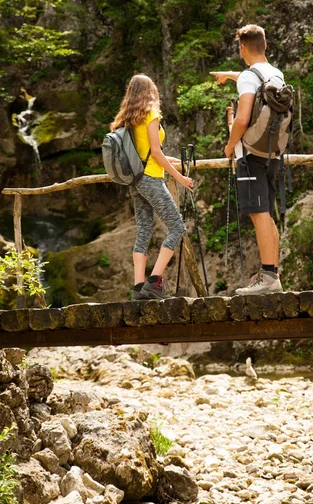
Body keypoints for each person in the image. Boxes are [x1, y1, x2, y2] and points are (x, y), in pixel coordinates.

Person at [210, 24, 284, 295]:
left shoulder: (247, 79)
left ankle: (267, 277)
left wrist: (230, 146)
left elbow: (242, 119)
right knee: (267, 214)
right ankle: (273, 274)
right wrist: (229, 75)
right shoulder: (276, 73)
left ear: (242, 48)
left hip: (250, 153)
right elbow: (250, 78)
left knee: (258, 213)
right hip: (272, 152)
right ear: (265, 46)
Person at [110, 74, 193, 300]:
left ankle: (139, 288)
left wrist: (171, 160)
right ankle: (154, 282)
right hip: (151, 179)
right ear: (151, 92)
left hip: (136, 181)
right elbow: (155, 153)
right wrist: (180, 177)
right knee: (177, 228)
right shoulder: (152, 114)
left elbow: (149, 152)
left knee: (144, 229)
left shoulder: (129, 118)